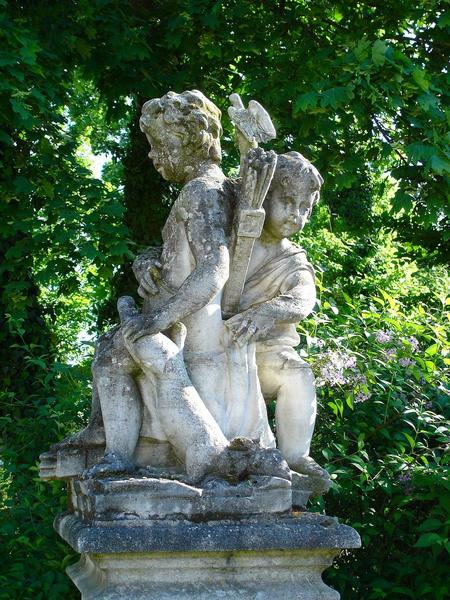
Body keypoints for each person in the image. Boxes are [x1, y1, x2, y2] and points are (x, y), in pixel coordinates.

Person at [81, 90, 284, 481]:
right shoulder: (215, 188)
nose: (154, 155)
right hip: (181, 315)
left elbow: (214, 269)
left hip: (189, 324)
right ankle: (109, 447)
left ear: (194, 141)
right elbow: (183, 254)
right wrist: (150, 261)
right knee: (110, 351)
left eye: (162, 145)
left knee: (109, 359)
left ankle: (118, 455)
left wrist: (159, 318)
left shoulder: (200, 192)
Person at [225, 152, 327, 477]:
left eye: (305, 209)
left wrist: (269, 311)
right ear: (265, 196)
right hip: (217, 346)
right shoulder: (228, 233)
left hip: (266, 354)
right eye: (288, 202)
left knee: (297, 374)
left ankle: (296, 457)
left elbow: (303, 298)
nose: (296, 216)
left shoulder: (293, 259)